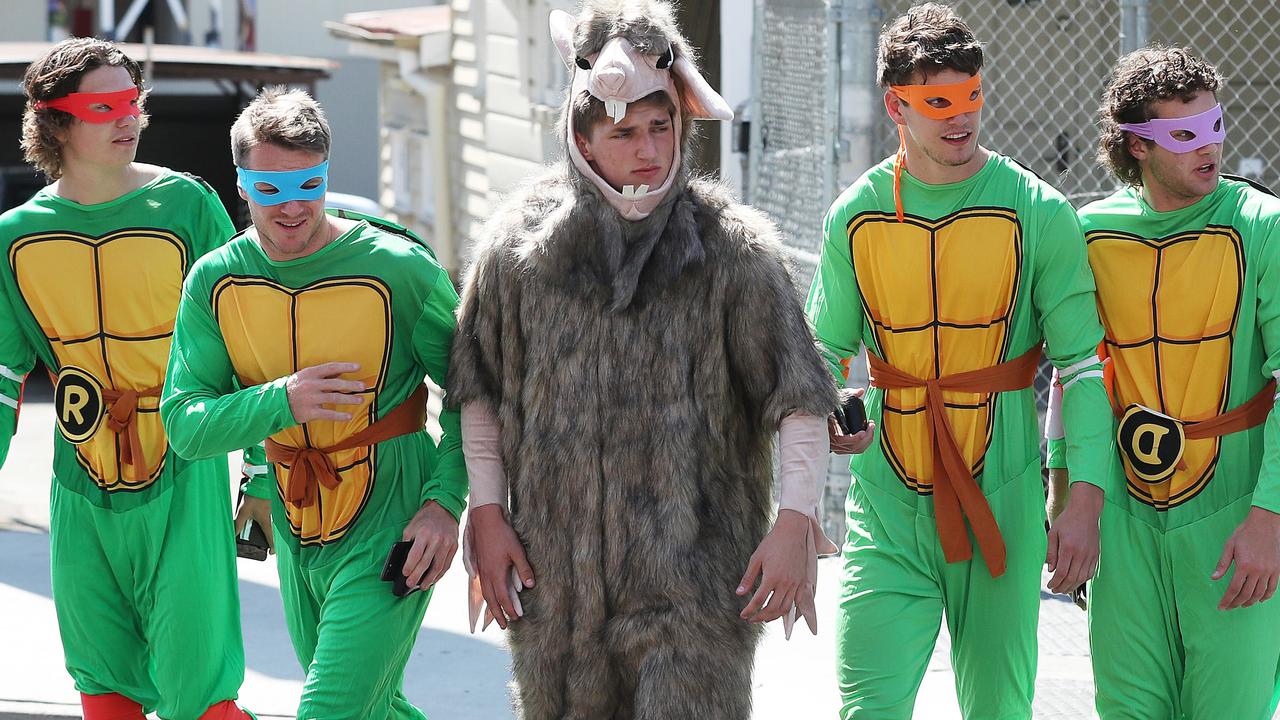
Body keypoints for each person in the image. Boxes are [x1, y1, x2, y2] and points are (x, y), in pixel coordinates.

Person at [447, 1, 839, 717]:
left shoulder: (734, 253)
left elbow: (800, 398)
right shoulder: (517, 250)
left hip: (694, 589)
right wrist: (487, 512)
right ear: (582, 137)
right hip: (556, 589)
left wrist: (793, 524)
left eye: (662, 127)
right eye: (624, 132)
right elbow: (479, 390)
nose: (649, 149)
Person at [805, 4, 1118, 717]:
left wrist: (1084, 500)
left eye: (971, 96)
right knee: (868, 705)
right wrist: (829, 411)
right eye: (937, 102)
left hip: (1003, 502)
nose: (961, 118)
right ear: (896, 106)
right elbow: (822, 352)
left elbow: (1084, 368)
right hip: (886, 507)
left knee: (1000, 710)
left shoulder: (1039, 210)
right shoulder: (855, 214)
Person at [159, 87, 467, 718]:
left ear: (327, 173)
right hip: (298, 519)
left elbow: (479, 391)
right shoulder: (215, 280)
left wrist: (445, 503)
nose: (292, 206)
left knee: (328, 709)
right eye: (270, 189)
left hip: (395, 516)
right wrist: (282, 402)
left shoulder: (400, 268)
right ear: (242, 185)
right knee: (369, 708)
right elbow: (185, 425)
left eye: (308, 183)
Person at [0, 38, 254, 720]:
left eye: (134, 103)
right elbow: (2, 374)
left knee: (197, 683)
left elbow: (244, 341)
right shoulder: (14, 235)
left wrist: (259, 468)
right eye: (104, 106)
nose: (129, 120)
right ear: (56, 121)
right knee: (101, 676)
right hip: (79, 473)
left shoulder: (187, 205)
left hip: (184, 463)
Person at [1045, 47, 1280, 719]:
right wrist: (1064, 496)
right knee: (1126, 709)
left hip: (1235, 513)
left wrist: (1270, 518)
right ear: (1137, 146)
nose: (1208, 147)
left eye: (1214, 125)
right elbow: (1075, 377)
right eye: (1184, 134)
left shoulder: (1263, 227)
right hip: (1125, 517)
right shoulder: (1089, 233)